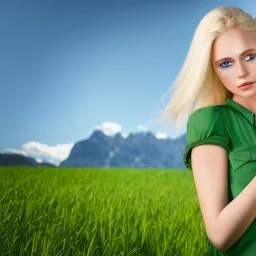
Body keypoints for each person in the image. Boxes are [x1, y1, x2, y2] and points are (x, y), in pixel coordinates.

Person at [160, 6, 256, 255]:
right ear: (212, 69)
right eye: (226, 63)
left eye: (250, 56)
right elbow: (219, 235)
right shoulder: (211, 121)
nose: (242, 72)